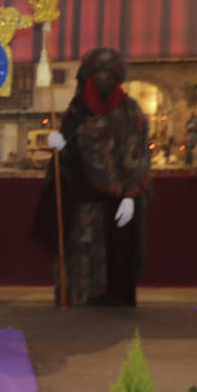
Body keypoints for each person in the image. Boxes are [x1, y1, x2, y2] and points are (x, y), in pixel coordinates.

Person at [34, 47, 150, 306]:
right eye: (98, 76)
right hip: (80, 200)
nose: (103, 81)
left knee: (116, 253)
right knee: (79, 251)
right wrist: (60, 147)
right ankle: (77, 295)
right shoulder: (76, 111)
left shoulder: (129, 112)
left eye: (109, 76)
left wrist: (130, 195)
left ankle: (112, 297)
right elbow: (69, 159)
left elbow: (137, 154)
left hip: (117, 201)